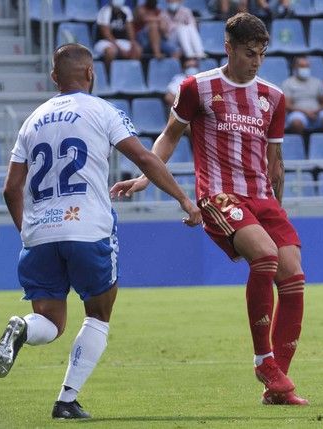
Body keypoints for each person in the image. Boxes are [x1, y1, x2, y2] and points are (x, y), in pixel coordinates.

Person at [0, 43, 201, 419]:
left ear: (54, 78)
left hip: (39, 235)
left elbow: (10, 189)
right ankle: (66, 400)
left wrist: (27, 230)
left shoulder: (31, 120)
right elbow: (143, 157)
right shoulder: (102, 110)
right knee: (98, 315)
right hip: (87, 228)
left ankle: (22, 327)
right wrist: (184, 201)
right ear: (90, 74)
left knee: (50, 322)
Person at [112, 13, 307, 406]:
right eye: (250, 53)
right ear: (229, 47)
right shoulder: (197, 88)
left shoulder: (273, 96)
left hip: (263, 200)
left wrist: (277, 209)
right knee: (265, 257)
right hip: (219, 195)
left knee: (294, 281)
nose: (256, 61)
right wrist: (146, 177)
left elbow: (276, 161)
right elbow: (170, 136)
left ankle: (278, 384)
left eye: (262, 55)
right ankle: (264, 360)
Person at [282, 55, 323, 134]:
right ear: (295, 67)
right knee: (296, 123)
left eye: (307, 66)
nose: (305, 69)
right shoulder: (288, 83)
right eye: (302, 66)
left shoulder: (317, 82)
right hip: (298, 113)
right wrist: (305, 112)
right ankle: (299, 145)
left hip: (317, 112)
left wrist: (316, 110)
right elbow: (287, 105)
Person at [94, 0, 142, 73]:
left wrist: (133, 44)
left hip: (121, 40)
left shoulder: (126, 10)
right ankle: (109, 75)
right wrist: (120, 48)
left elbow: (130, 30)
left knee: (137, 50)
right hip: (105, 42)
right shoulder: (104, 11)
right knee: (111, 51)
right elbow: (107, 34)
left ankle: (128, 75)